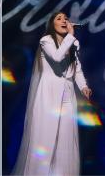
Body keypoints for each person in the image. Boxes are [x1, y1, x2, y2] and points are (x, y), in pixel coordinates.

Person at [12, 11, 92, 175]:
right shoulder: (46, 41)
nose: (64, 20)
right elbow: (56, 57)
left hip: (67, 94)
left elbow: (76, 68)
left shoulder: (72, 44)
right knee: (46, 135)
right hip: (49, 93)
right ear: (52, 24)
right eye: (59, 18)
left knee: (65, 137)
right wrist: (70, 37)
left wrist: (83, 86)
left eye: (66, 18)